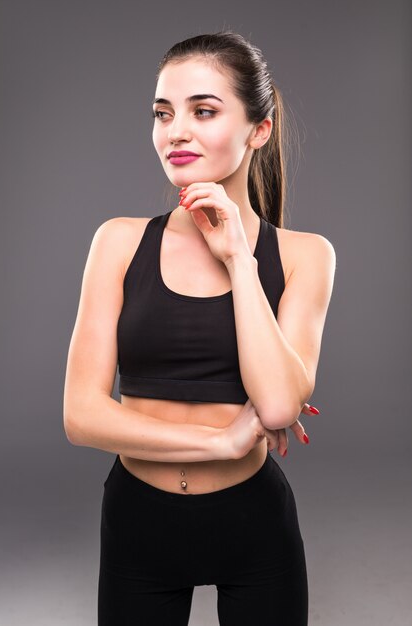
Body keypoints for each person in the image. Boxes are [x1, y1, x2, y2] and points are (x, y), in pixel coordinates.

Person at [63, 30, 336, 626]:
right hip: (139, 523)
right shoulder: (118, 241)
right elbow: (81, 416)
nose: (175, 131)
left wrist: (240, 257)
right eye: (163, 114)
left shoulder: (304, 255)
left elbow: (278, 402)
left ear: (258, 130)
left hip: (252, 525)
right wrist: (219, 443)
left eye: (203, 111)